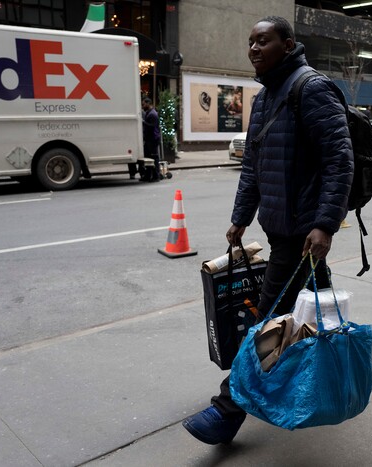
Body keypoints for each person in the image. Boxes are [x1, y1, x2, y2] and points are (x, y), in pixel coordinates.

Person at [182, 16, 353, 445]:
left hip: (300, 234)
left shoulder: (310, 88)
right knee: (317, 313)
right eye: (251, 42)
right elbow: (254, 167)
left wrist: (325, 225)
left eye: (264, 40)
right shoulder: (264, 98)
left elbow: (339, 161)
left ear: (288, 44)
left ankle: (227, 410)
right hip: (280, 230)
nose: (254, 48)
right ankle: (333, 383)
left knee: (265, 323)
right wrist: (241, 216)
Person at [128, 97, 162, 181]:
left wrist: (143, 122)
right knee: (148, 158)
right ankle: (148, 175)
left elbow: (152, 126)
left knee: (153, 158)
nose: (142, 106)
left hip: (153, 139)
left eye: (143, 104)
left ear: (148, 103)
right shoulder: (149, 113)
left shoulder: (152, 114)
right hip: (149, 139)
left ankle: (156, 176)